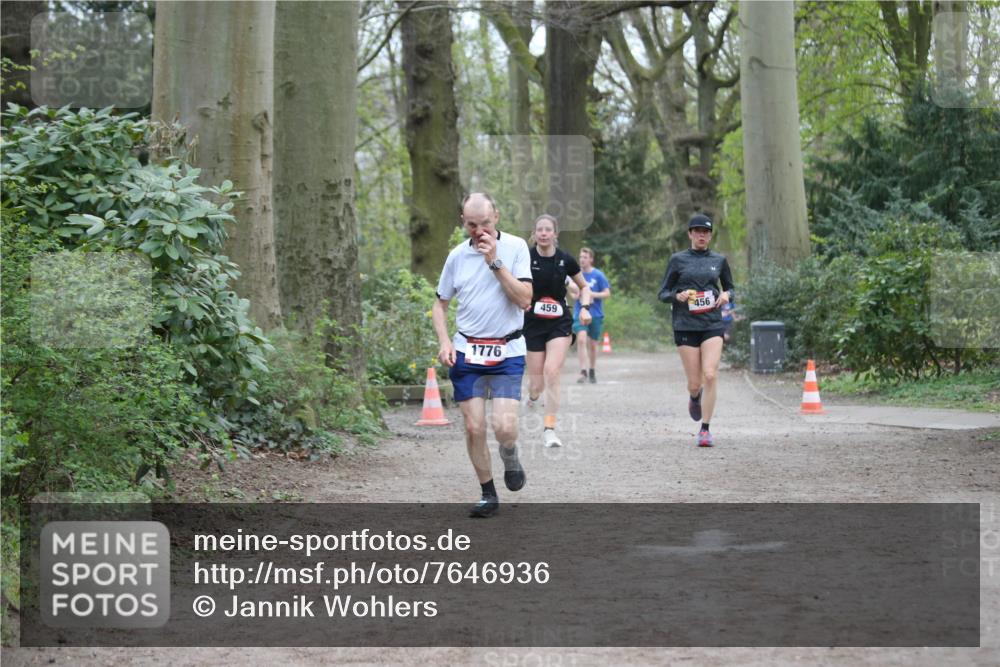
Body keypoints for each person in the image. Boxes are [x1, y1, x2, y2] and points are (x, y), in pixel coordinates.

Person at [432, 193, 534, 517]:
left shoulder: (516, 248)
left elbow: (525, 299)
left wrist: (494, 262)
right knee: (474, 427)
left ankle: (509, 452)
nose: (479, 232)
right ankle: (488, 493)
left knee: (504, 427)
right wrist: (445, 341)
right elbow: (439, 304)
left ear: (497, 217)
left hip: (507, 350)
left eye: (485, 223)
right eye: (472, 225)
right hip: (467, 351)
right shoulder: (456, 257)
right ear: (463, 222)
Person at [657, 213, 735, 448]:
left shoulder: (719, 260)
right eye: (698, 231)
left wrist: (725, 295)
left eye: (706, 232)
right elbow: (663, 293)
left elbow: (731, 288)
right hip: (685, 325)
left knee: (710, 374)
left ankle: (705, 429)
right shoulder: (678, 260)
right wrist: (677, 296)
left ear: (710, 236)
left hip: (712, 323)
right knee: (695, 382)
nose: (702, 235)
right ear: (690, 234)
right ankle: (694, 397)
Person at [523, 215, 593, 448]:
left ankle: (549, 428)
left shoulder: (566, 260)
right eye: (539, 229)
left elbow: (584, 287)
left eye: (548, 229)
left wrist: (584, 308)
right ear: (534, 233)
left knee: (551, 371)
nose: (543, 233)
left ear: (555, 234)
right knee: (536, 385)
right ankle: (533, 398)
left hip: (559, 323)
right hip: (532, 323)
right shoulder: (525, 258)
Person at [570, 247, 611, 384]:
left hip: (595, 314)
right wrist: (575, 295)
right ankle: (583, 371)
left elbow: (607, 293)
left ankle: (592, 369)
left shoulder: (598, 275)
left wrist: (592, 294)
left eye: (585, 257)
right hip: (579, 312)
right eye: (581, 257)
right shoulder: (576, 274)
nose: (582, 259)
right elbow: (572, 292)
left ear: (591, 259)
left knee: (593, 344)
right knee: (581, 340)